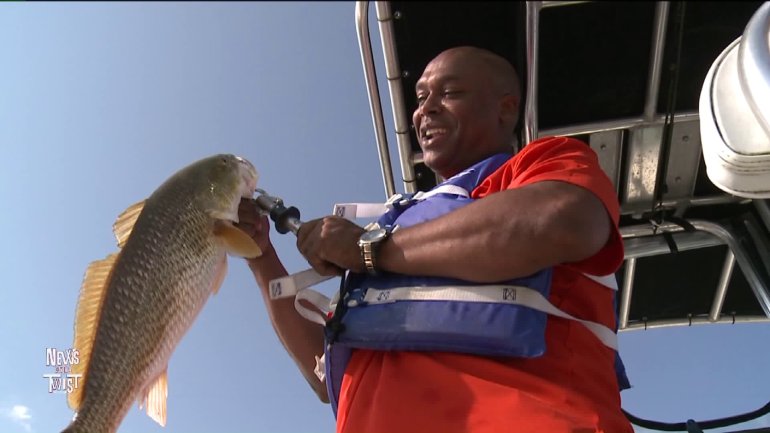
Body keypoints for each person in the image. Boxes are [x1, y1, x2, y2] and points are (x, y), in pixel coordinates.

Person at [237, 46, 633, 433]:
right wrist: (261, 256)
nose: (425, 109)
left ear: (506, 108)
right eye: (421, 97)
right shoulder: (397, 234)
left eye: (450, 93)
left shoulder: (543, 165)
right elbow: (323, 374)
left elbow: (561, 219)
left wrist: (370, 249)